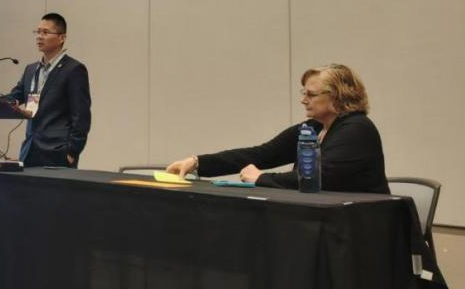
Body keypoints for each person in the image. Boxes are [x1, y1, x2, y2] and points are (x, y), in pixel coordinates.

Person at [166, 64, 389, 194]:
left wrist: (261, 178)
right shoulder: (312, 128)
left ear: (338, 96)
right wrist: (197, 162)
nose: (303, 100)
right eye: (303, 93)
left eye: (311, 95)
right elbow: (261, 154)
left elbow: (318, 178)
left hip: (359, 229)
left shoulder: (357, 129)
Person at [7, 13, 92, 167]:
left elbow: (81, 116)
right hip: (30, 150)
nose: (39, 36)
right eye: (38, 32)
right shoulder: (31, 69)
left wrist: (72, 152)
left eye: (45, 32)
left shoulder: (74, 69)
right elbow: (14, 97)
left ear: (61, 38)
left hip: (58, 152)